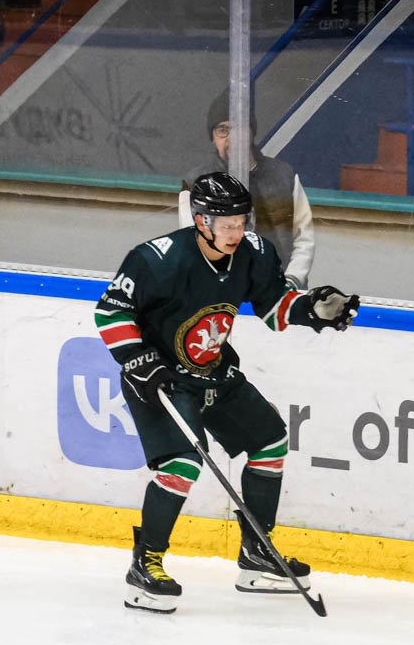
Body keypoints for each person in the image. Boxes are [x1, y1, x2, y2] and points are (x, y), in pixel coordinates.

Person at [99, 172, 359, 613]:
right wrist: (138, 360)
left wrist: (312, 308)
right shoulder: (157, 259)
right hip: (161, 378)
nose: (236, 232)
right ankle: (146, 565)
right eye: (227, 225)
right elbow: (112, 313)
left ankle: (257, 554)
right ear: (201, 221)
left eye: (241, 222)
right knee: (182, 463)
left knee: (270, 441)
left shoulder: (254, 252)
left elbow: (275, 307)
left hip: (214, 372)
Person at [179, 91, 315, 289]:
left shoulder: (283, 176)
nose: (232, 139)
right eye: (223, 130)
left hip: (280, 289)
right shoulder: (195, 184)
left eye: (239, 129)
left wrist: (290, 281)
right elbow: (193, 244)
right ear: (213, 138)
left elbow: (303, 240)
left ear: (251, 132)